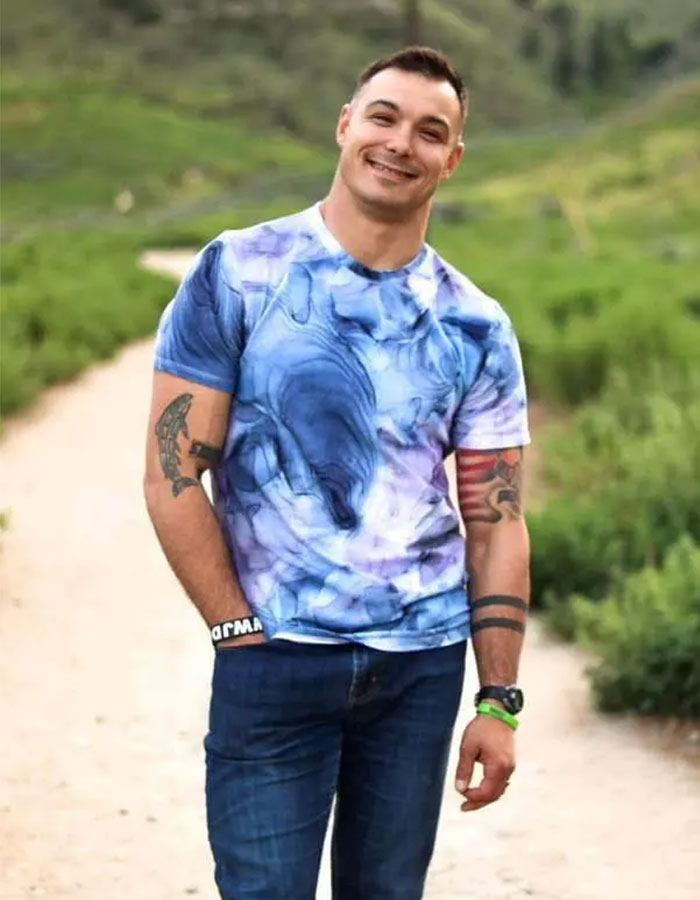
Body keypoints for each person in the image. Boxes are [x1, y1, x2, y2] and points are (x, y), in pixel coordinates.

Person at [144, 46, 531, 900]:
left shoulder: (475, 324)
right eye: (385, 117)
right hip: (274, 656)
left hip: (421, 667)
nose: (402, 143)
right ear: (346, 124)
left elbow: (497, 516)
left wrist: (498, 697)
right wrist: (235, 630)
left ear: (453, 158)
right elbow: (174, 474)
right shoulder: (238, 272)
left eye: (432, 131)